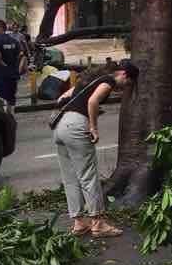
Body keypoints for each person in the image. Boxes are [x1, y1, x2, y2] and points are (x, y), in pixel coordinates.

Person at [51, 60, 138, 238]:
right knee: (88, 176)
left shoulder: (87, 81)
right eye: (127, 83)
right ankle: (98, 224)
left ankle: (79, 223)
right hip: (76, 127)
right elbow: (93, 101)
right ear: (123, 74)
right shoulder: (109, 81)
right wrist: (93, 128)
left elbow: (62, 98)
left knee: (70, 178)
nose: (124, 88)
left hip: (60, 127)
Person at [0, 19, 28, 108]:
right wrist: (16, 64)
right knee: (11, 98)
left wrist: (1, 61)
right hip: (13, 73)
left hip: (1, 73)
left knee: (0, 97)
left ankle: (3, 118)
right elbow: (21, 53)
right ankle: (11, 116)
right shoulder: (13, 40)